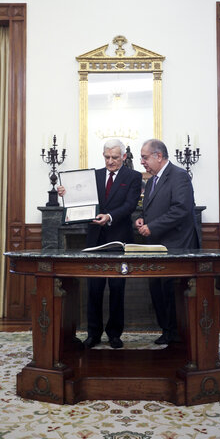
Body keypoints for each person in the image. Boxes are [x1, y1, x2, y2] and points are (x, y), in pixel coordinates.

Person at [58, 139, 142, 349]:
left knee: (116, 288)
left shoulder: (133, 177)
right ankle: (93, 334)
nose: (110, 161)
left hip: (118, 239)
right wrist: (65, 193)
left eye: (114, 157)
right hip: (94, 239)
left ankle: (114, 334)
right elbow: (80, 198)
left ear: (123, 157)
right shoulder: (93, 176)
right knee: (94, 288)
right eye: (106, 157)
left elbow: (130, 206)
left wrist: (110, 216)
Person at [135, 138, 200, 345]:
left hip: (176, 246)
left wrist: (152, 226)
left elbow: (181, 209)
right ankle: (168, 331)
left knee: (172, 294)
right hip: (156, 246)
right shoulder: (152, 180)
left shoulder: (179, 176)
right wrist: (143, 219)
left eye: (145, 158)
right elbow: (152, 209)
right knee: (157, 290)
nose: (142, 162)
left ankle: (178, 336)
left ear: (159, 156)